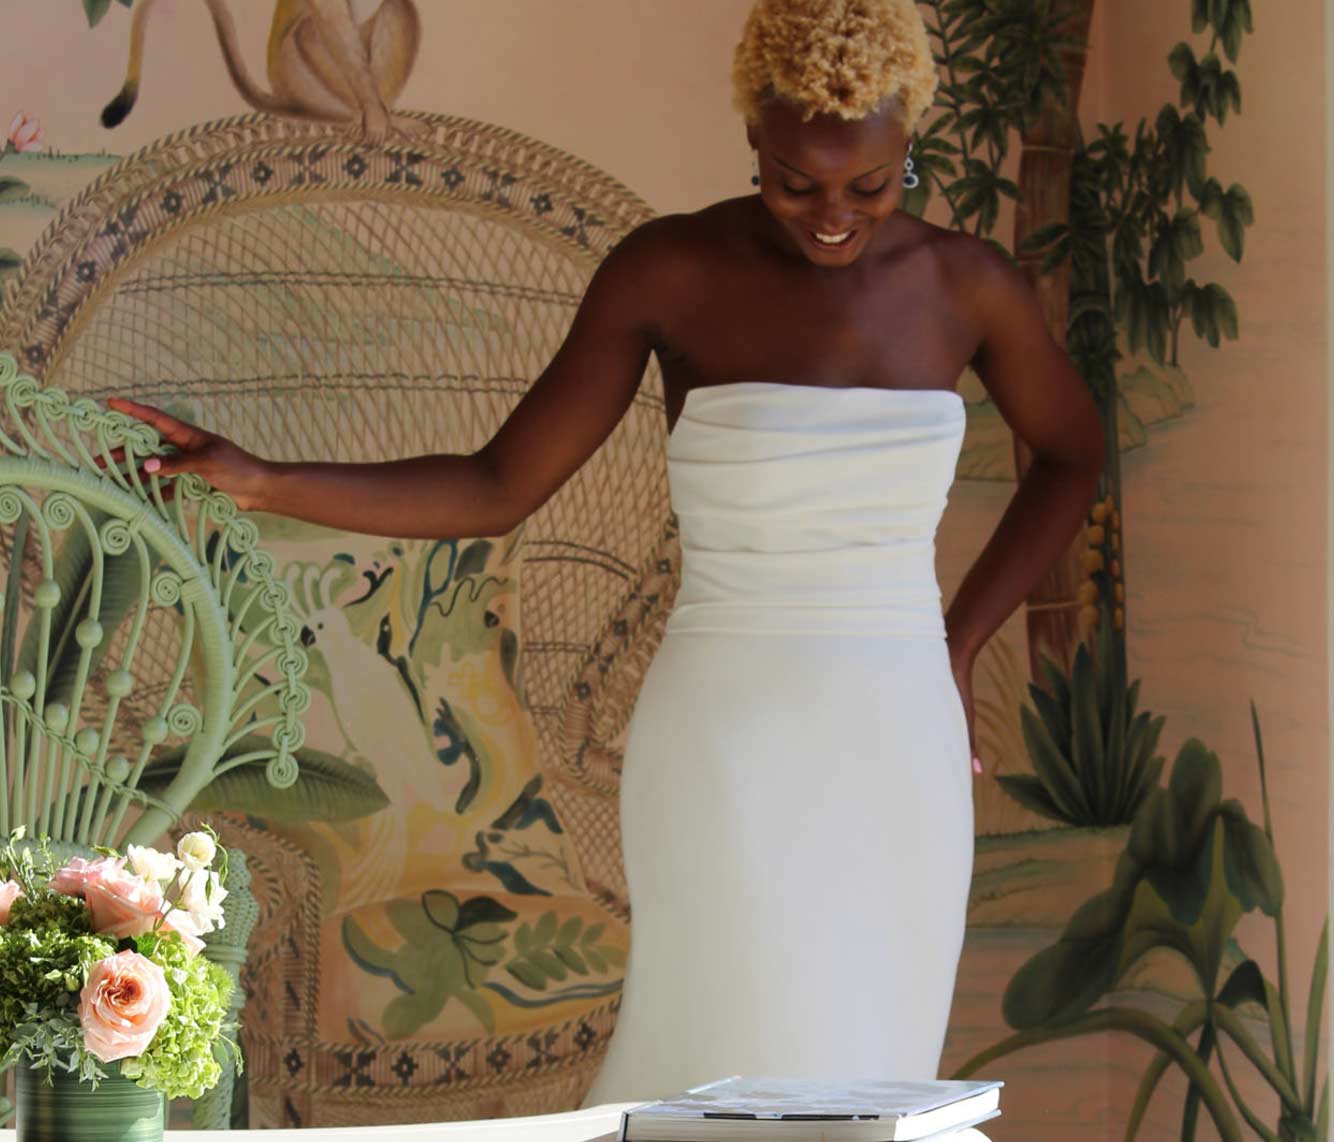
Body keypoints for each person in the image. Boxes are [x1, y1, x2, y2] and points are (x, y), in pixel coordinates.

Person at [109, 0, 1103, 1106]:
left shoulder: (968, 287)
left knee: (876, 1062)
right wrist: (266, 478)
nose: (830, 216)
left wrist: (957, 643)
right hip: (726, 735)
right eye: (793, 179)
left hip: (897, 740)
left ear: (905, 145)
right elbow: (499, 486)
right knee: (728, 1051)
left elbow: (1070, 454)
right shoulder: (667, 270)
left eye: (867, 185)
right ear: (749, 138)